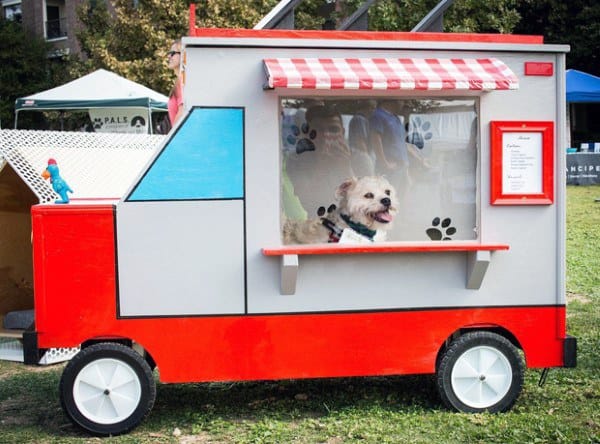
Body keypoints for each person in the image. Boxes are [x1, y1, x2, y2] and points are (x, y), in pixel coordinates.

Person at [285, 104, 353, 218]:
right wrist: (321, 165)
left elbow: (362, 202)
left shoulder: (358, 158)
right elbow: (305, 204)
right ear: (307, 134)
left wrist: (346, 168)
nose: (326, 136)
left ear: (343, 133)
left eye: (333, 130)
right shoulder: (295, 160)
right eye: (318, 130)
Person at [167, 39, 184, 127]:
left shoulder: (183, 80)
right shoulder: (181, 79)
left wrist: (173, 136)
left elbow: (182, 112)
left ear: (183, 55)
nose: (169, 56)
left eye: (173, 53)